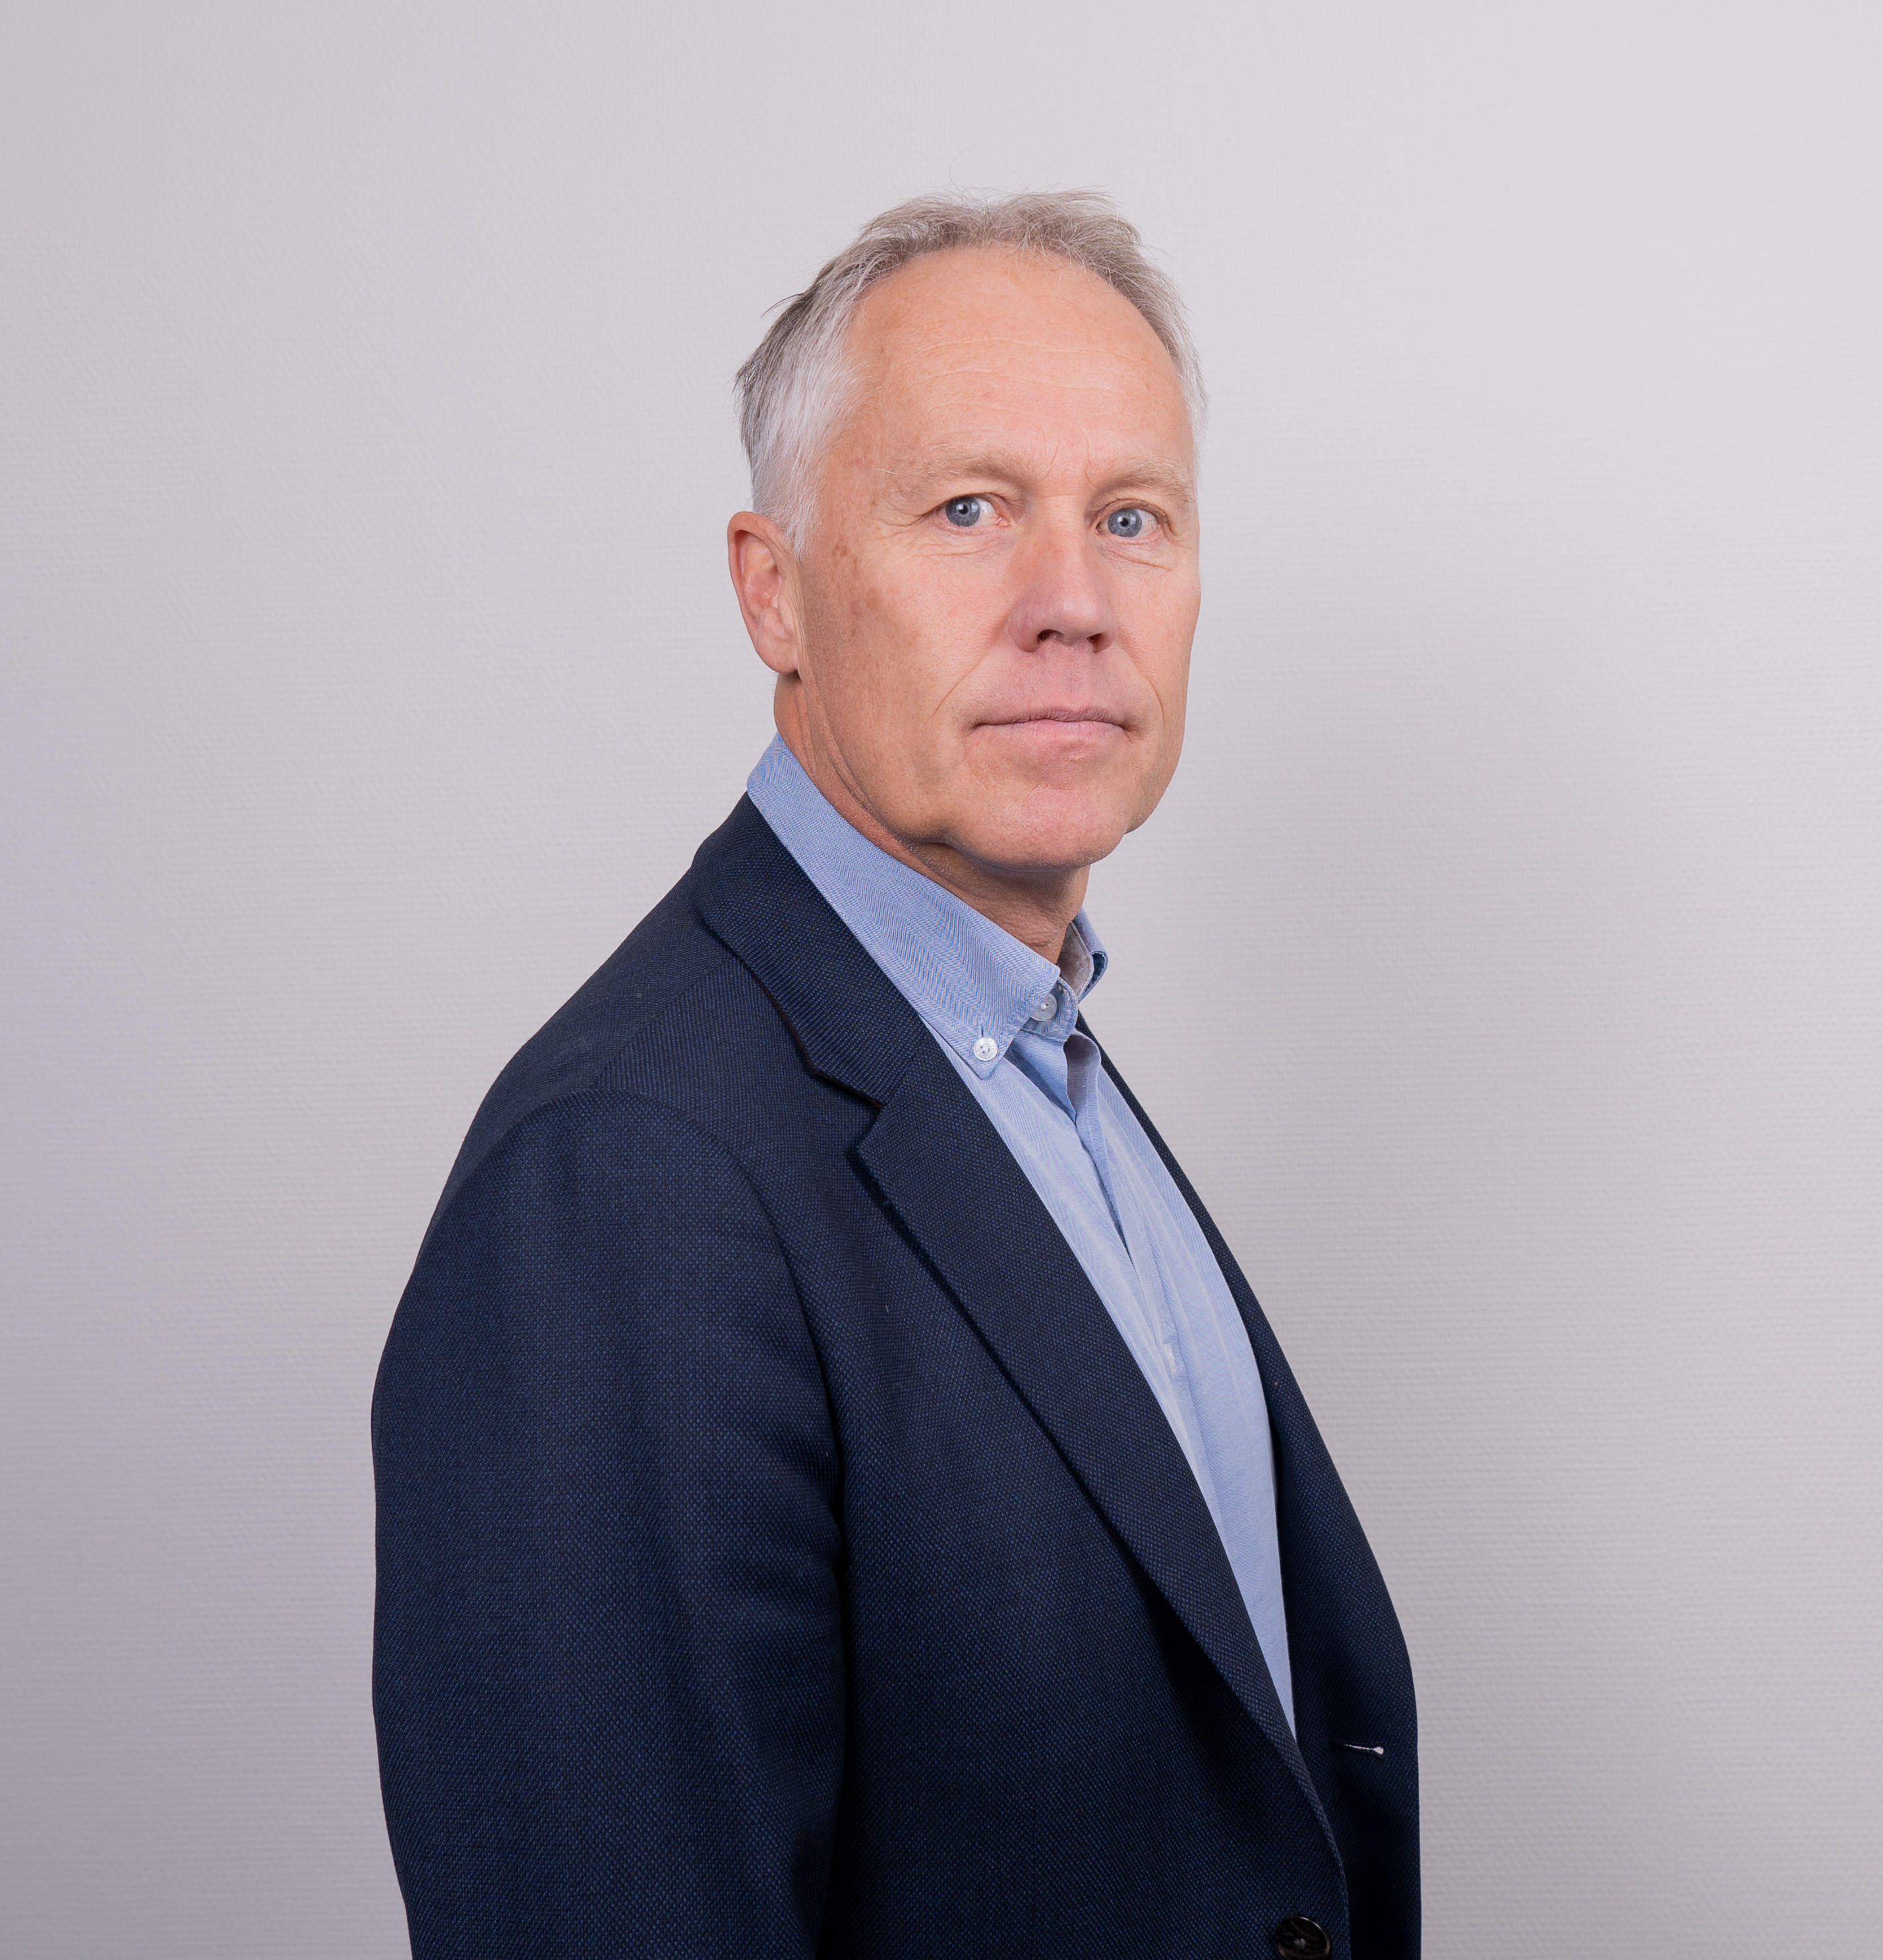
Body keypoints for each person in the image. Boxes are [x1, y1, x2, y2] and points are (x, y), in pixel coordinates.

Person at [370, 192, 1418, 1959]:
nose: (1072, 605)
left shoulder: (1034, 1057)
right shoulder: (627, 1180)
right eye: (967, 510)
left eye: (1132, 518)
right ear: (771, 591)